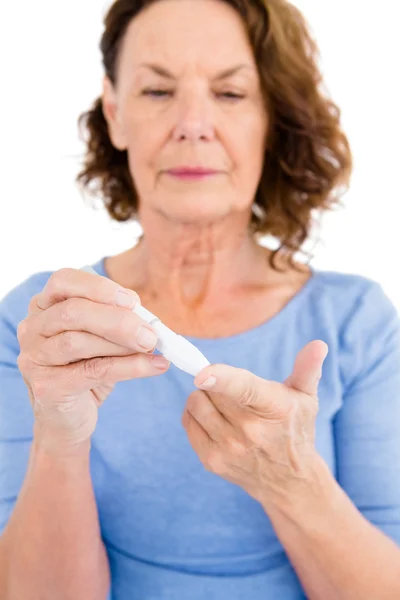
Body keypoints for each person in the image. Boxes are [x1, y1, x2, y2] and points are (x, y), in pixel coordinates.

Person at [1, 0, 400, 598]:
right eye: (158, 91)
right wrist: (60, 436)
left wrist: (292, 483)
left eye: (231, 94)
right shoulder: (47, 324)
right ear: (115, 114)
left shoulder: (356, 322)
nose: (192, 122)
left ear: (272, 118)